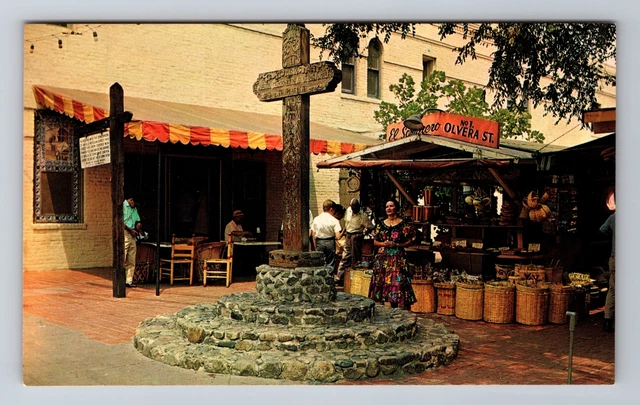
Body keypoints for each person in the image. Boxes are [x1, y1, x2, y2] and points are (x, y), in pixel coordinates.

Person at [368, 199, 417, 309]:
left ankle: (401, 309)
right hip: (384, 258)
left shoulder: (403, 224)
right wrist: (383, 244)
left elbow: (410, 240)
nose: (389, 208)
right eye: (387, 207)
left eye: (391, 206)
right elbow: (375, 241)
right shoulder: (381, 224)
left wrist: (397, 244)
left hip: (398, 257)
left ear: (396, 208)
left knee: (398, 282)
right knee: (384, 282)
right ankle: (388, 309)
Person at [335, 198, 374, 283]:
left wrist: (364, 233)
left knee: (355, 258)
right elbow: (346, 224)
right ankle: (340, 277)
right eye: (353, 207)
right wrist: (342, 234)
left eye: (356, 208)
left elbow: (371, 227)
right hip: (348, 235)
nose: (354, 210)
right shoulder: (348, 211)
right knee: (345, 256)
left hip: (357, 236)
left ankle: (354, 278)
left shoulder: (362, 216)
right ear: (350, 206)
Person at [600, 187, 615, 332]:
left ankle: (607, 319)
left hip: (615, 257)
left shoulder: (613, 217)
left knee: (613, 289)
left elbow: (602, 230)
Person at [311, 200, 342, 270]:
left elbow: (313, 235)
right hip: (330, 242)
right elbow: (338, 236)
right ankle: (330, 276)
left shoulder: (316, 219)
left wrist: (315, 246)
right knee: (330, 264)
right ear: (331, 209)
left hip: (319, 242)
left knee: (320, 263)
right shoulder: (334, 220)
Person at [123, 196, 141, 288]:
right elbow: (121, 222)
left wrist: (138, 224)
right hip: (126, 232)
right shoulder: (122, 206)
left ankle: (129, 281)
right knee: (123, 256)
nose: (133, 202)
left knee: (131, 258)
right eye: (131, 200)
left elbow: (137, 219)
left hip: (133, 233)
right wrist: (130, 231)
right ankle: (121, 280)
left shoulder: (134, 209)